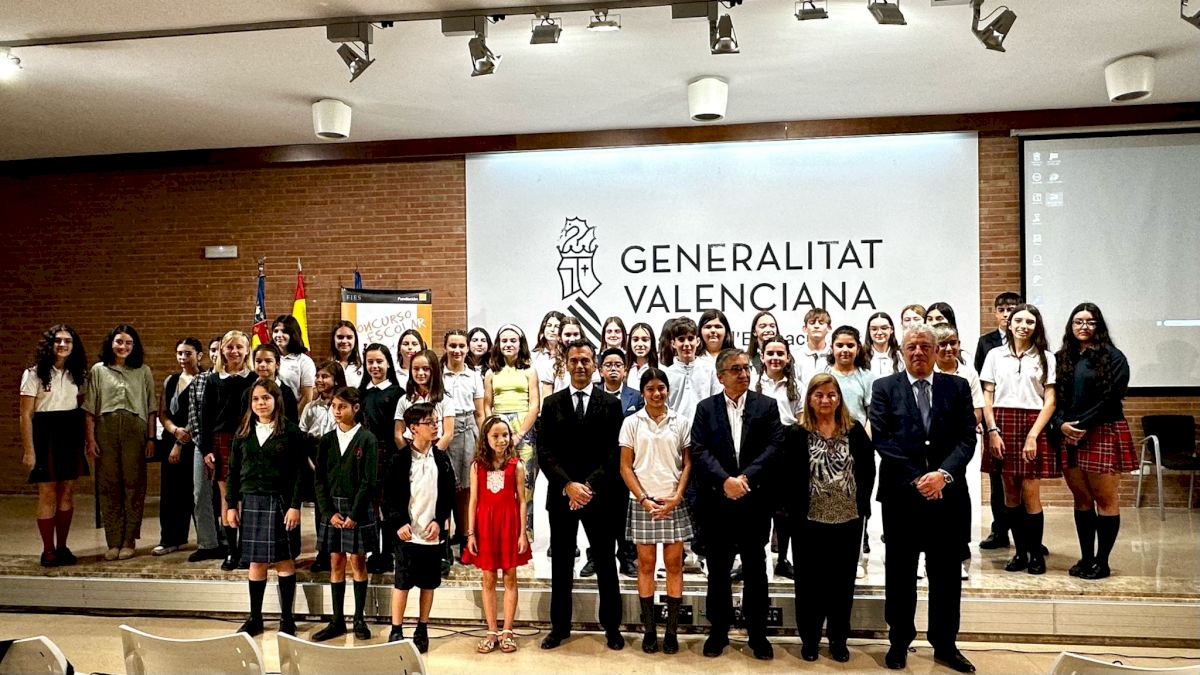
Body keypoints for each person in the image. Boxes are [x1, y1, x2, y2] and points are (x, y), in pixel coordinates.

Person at [869, 324, 976, 673]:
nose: (918, 352)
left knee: (946, 575)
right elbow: (882, 438)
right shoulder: (884, 387)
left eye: (925, 346)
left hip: (948, 496)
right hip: (902, 497)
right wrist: (919, 478)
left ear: (936, 351)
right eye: (912, 346)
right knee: (900, 574)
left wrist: (942, 475)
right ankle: (899, 642)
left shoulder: (957, 387)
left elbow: (967, 438)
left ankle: (945, 645)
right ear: (902, 351)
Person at [690, 348, 784, 660]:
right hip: (717, 502)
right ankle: (718, 631)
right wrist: (725, 481)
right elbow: (699, 450)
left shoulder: (766, 406)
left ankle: (757, 633)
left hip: (754, 501)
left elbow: (775, 446)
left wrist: (744, 478)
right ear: (721, 377)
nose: (744, 373)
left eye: (746, 368)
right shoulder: (705, 408)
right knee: (718, 570)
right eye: (736, 369)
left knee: (756, 569)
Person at [537, 340, 626, 652]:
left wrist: (587, 486)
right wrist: (568, 485)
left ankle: (612, 627)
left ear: (595, 365)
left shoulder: (611, 404)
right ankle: (559, 628)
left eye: (585, 360)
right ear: (566, 364)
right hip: (562, 495)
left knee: (605, 562)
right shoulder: (552, 403)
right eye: (574, 360)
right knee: (561, 564)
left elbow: (615, 453)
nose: (579, 365)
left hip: (599, 496)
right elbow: (545, 452)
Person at [786, 373, 875, 663]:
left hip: (848, 519)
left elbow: (868, 470)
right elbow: (788, 476)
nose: (826, 400)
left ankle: (838, 639)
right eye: (819, 395)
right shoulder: (797, 433)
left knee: (842, 584)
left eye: (831, 395)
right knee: (809, 583)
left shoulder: (854, 430)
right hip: (808, 521)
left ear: (839, 399)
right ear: (810, 399)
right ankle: (810, 639)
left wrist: (862, 505)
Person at [1053, 303, 1135, 580]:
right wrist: (1060, 424)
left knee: (1105, 499)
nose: (1084, 326)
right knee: (1082, 499)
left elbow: (1111, 398)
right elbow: (1053, 397)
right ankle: (1086, 557)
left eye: (1090, 322)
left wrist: (1081, 425)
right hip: (1068, 433)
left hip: (1102, 430)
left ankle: (1102, 562)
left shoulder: (1114, 357)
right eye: (1078, 321)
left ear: (1098, 326)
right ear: (1071, 325)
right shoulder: (1061, 357)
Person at [619, 367, 693, 655]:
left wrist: (677, 496)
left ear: (667, 390)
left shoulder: (681, 422)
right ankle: (650, 630)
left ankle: (671, 632)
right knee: (646, 566)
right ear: (643, 392)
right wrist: (643, 499)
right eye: (650, 389)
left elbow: (688, 463)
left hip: (672, 500)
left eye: (661, 388)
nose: (656, 393)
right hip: (643, 501)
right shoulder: (631, 422)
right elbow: (625, 466)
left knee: (674, 565)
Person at [981, 303, 1057, 576]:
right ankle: (1020, 552)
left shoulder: (1046, 357)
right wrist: (992, 431)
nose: (1024, 326)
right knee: (1009, 494)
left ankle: (1036, 554)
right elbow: (987, 395)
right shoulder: (994, 355)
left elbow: (1050, 401)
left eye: (1030, 322)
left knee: (1031, 494)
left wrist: (1033, 435)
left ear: (1037, 327)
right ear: (1009, 324)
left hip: (1033, 423)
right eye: (1019, 321)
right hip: (1001, 423)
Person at [225, 378, 305, 636]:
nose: (261, 403)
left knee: (284, 560)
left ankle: (287, 619)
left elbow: (300, 472)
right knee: (256, 562)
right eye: (256, 399)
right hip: (251, 501)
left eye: (266, 398)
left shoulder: (290, 431)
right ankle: (255, 618)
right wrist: (231, 505)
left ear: (276, 400)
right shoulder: (243, 432)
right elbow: (233, 471)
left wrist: (295, 506)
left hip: (280, 502)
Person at [384, 402, 456, 652]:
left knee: (428, 583)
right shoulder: (401, 459)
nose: (436, 426)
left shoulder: (441, 458)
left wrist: (439, 520)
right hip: (407, 533)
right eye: (430, 423)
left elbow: (448, 494)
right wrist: (398, 523)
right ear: (413, 428)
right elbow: (389, 497)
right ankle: (396, 629)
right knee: (402, 583)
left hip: (431, 532)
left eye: (436, 421)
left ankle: (422, 627)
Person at [84, 324, 157, 561]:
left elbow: (151, 407)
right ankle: (113, 541)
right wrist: (91, 439)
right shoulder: (98, 370)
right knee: (109, 486)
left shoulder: (143, 371)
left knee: (134, 485)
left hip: (135, 429)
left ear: (134, 346)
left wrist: (151, 438)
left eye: (128, 343)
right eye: (119, 342)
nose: (123, 346)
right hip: (105, 428)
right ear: (111, 343)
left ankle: (129, 540)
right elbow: (89, 408)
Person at [311, 386, 378, 642]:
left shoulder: (367, 439)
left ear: (355, 408)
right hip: (333, 509)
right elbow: (319, 480)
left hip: (356, 508)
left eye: (343, 407)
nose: (337, 411)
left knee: (358, 562)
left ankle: (359, 618)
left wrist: (355, 514)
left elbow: (368, 481)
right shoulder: (327, 440)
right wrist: (328, 512)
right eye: (334, 406)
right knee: (336, 562)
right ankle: (337, 620)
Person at [19, 324, 88, 567]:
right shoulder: (34, 374)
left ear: (73, 346)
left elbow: (81, 407)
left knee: (67, 491)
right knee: (47, 492)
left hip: (70, 432)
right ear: (49, 344)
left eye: (67, 341)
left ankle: (62, 546)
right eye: (57, 340)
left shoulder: (78, 374)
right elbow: (25, 414)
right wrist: (29, 450)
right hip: (44, 433)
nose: (62, 345)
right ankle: (48, 549)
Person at [462, 416, 532, 654]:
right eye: (495, 436)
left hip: (509, 525)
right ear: (486, 438)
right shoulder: (477, 466)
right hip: (485, 526)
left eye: (505, 435)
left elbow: (521, 501)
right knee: (488, 578)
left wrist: (522, 533)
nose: (501, 440)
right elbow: (473, 500)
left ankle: (508, 630)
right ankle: (491, 630)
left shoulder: (517, 465)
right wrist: (471, 533)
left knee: (510, 578)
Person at [394, 348, 457, 575]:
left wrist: (432, 455)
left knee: (439, 500)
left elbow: (448, 432)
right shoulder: (404, 399)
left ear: (434, 371)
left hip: (436, 456)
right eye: (416, 369)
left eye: (426, 369)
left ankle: (443, 551)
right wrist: (411, 455)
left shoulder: (444, 399)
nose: (421, 373)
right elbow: (398, 433)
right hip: (412, 457)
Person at [199, 330, 256, 570]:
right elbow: (205, 416)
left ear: (247, 350)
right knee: (227, 496)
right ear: (222, 350)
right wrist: (206, 449)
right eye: (229, 347)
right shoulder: (214, 380)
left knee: (247, 495)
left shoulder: (253, 378)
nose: (234, 351)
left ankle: (246, 550)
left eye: (239, 347)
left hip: (247, 438)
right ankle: (232, 551)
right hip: (221, 439)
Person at [933, 324, 985, 580]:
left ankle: (960, 553)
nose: (948, 348)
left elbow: (977, 411)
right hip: (929, 446)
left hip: (956, 448)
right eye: (942, 344)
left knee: (958, 499)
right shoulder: (926, 370)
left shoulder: (968, 373)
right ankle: (926, 555)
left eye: (952, 343)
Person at [751, 336, 803, 579]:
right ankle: (752, 559)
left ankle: (782, 559)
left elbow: (802, 420)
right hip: (759, 447)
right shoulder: (753, 383)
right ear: (762, 357)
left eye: (780, 353)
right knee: (757, 508)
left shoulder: (797, 386)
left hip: (788, 446)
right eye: (770, 353)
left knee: (784, 510)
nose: (775, 358)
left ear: (788, 357)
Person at [483, 325, 541, 542]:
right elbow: (487, 404)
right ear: (498, 344)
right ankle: (502, 530)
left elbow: (534, 405)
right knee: (500, 482)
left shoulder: (529, 371)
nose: (508, 344)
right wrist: (493, 429)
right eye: (504, 341)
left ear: (520, 343)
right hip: (498, 428)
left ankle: (525, 532)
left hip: (523, 428)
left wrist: (520, 433)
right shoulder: (491, 373)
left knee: (525, 484)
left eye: (513, 340)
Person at [974, 292, 1021, 551]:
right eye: (1001, 309)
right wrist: (982, 418)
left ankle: (1028, 535)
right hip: (995, 415)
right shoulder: (987, 342)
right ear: (995, 313)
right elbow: (980, 382)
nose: (1006, 314)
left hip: (1024, 416)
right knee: (997, 479)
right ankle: (999, 530)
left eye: (1011, 309)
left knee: (1024, 479)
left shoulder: (1033, 341)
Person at [595, 347, 644, 578]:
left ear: (625, 370)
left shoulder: (636, 396)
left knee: (625, 513)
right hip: (598, 464)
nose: (613, 369)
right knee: (597, 513)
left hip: (628, 463)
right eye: (608, 365)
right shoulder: (593, 394)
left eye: (618, 365)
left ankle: (627, 557)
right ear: (600, 370)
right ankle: (595, 556)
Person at [184, 335, 233, 563]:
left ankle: (229, 539)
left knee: (228, 495)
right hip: (203, 444)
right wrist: (204, 447)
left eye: (220, 349)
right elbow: (194, 415)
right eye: (213, 349)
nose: (216, 353)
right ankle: (207, 543)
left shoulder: (234, 378)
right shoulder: (200, 380)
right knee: (201, 493)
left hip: (227, 443)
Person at [153, 337, 203, 557]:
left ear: (199, 355)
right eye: (180, 353)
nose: (183, 357)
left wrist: (180, 441)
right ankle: (172, 539)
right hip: (171, 438)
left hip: (194, 442)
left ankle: (207, 540)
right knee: (171, 492)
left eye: (188, 353)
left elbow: (200, 414)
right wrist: (174, 431)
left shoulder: (205, 379)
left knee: (195, 492)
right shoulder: (171, 380)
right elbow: (163, 413)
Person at [442, 329, 486, 564]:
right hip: (444, 429)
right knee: (446, 487)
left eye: (461, 346)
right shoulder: (439, 373)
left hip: (468, 428)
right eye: (453, 345)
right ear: (445, 347)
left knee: (467, 489)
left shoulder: (474, 376)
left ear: (467, 348)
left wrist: (483, 441)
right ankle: (444, 543)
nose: (457, 350)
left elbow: (479, 413)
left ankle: (466, 539)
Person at [299, 360, 348, 573]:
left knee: (339, 505)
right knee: (321, 508)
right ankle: (323, 552)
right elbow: (302, 437)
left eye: (325, 376)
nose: (319, 380)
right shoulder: (311, 407)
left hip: (339, 456)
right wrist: (310, 462)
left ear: (336, 380)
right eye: (317, 376)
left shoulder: (344, 405)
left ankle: (340, 550)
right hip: (315, 457)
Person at [359, 343, 403, 574]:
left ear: (388, 363)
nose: (374, 366)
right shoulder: (362, 393)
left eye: (379, 361)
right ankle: (374, 551)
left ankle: (388, 553)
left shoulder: (397, 393)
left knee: (388, 505)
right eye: (370, 362)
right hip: (366, 456)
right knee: (371, 505)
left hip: (389, 455)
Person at [663, 317, 721, 422]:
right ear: (673, 343)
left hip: (704, 427)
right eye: (681, 339)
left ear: (697, 341)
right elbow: (664, 407)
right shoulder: (666, 374)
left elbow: (717, 403)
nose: (686, 344)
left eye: (690, 339)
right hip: (675, 428)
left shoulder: (710, 370)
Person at [825, 326, 876, 434]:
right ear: (832, 348)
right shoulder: (822, 374)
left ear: (858, 348)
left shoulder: (867, 377)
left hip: (859, 436)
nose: (845, 350)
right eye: (839, 345)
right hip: (827, 435)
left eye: (850, 345)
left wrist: (865, 437)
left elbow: (872, 414)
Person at [272, 315, 315, 416]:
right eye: (276, 331)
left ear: (293, 333)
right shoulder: (269, 357)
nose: (279, 335)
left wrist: (293, 419)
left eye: (284, 331)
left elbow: (307, 397)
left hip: (292, 415)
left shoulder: (304, 361)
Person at [530, 310, 565, 394]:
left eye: (557, 327)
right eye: (549, 325)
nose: (552, 330)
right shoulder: (533, 356)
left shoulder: (567, 357)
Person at [797, 308, 834, 386]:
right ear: (805, 328)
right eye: (812, 323)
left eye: (821, 323)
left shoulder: (834, 354)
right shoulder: (795, 356)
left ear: (829, 328)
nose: (816, 326)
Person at [866, 312, 903, 378]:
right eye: (874, 329)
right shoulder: (861, 356)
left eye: (884, 328)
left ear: (891, 329)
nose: (879, 332)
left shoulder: (901, 356)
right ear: (869, 331)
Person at [329, 320, 364, 387]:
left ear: (355, 339)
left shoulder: (363, 365)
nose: (344, 341)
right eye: (340, 337)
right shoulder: (327, 366)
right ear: (333, 339)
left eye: (349, 337)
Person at [625, 322, 659, 389]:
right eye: (635, 340)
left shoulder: (661, 368)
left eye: (645, 340)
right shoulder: (623, 367)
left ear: (651, 342)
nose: (640, 344)